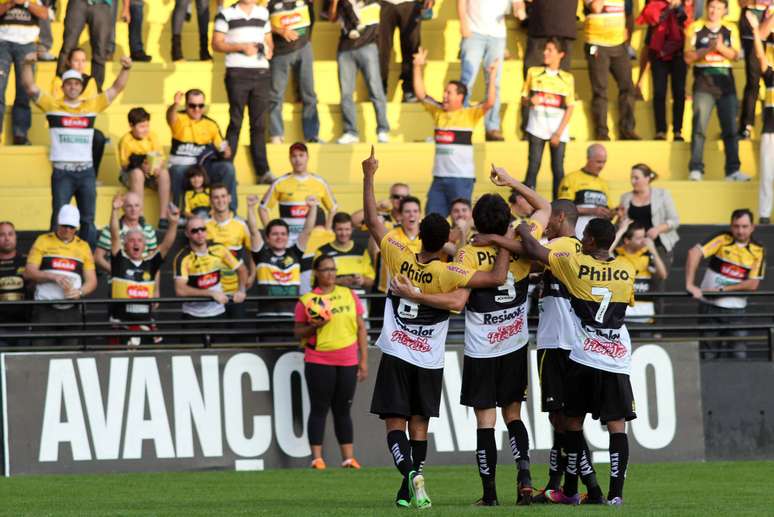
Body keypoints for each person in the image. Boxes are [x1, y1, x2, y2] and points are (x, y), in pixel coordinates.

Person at [362, 146, 511, 509]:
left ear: (420, 237)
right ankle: (412, 482)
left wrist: (369, 175)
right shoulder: (450, 274)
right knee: (418, 426)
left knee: (393, 423)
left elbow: (371, 219)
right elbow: (494, 278)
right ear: (445, 240)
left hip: (397, 351)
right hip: (428, 359)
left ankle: (410, 478)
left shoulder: (398, 253)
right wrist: (504, 238)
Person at [396, 169, 551, 506]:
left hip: (482, 349)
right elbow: (544, 207)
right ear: (507, 218)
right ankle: (524, 476)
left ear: (478, 223)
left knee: (485, 420)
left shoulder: (467, 253)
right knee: (514, 415)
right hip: (515, 342)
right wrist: (511, 182)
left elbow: (460, 300)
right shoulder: (524, 244)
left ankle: (490, 494)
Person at [518, 217, 636, 506]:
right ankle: (615, 494)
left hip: (585, 354)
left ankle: (571, 489)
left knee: (571, 420)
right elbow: (626, 301)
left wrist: (522, 227)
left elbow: (534, 249)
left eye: (585, 236)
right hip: (617, 355)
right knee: (617, 425)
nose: (581, 240)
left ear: (592, 241)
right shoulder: (627, 269)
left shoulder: (574, 265)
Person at [21, 54, 132, 247]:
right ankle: (54, 254)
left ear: (81, 87)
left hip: (86, 172)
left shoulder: (91, 105)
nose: (73, 87)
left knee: (88, 220)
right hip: (62, 172)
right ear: (62, 87)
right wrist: (27, 64)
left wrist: (126, 69)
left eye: (76, 84)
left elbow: (117, 88)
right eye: (69, 84)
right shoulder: (52, 105)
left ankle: (86, 259)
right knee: (58, 217)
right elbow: (30, 87)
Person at [294, 254, 369, 469]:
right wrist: (315, 326)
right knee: (319, 408)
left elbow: (361, 328)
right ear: (317, 273)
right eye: (326, 269)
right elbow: (298, 331)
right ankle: (317, 458)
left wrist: (363, 360)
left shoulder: (348, 294)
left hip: (347, 359)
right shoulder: (307, 300)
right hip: (319, 359)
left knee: (343, 409)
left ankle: (348, 458)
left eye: (333, 270)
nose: (330, 274)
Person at [413, 47, 497, 216]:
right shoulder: (437, 112)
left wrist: (492, 76)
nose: (444, 95)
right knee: (432, 220)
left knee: (461, 222)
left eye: (448, 92)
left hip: (461, 178)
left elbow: (489, 102)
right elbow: (421, 94)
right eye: (444, 92)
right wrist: (417, 67)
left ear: (460, 97)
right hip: (438, 178)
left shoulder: (469, 114)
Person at [685, 209, 765, 359]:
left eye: (744, 226)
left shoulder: (758, 249)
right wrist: (690, 284)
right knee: (707, 356)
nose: (740, 231)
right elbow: (693, 253)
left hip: (737, 311)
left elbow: (753, 284)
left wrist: (723, 289)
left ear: (752, 227)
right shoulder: (723, 238)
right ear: (731, 226)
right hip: (709, 307)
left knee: (738, 355)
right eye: (736, 226)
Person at [685, 0, 749, 181]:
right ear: (706, 8)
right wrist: (707, 49)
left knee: (730, 129)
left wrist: (720, 48)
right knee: (699, 127)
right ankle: (696, 168)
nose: (714, 11)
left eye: (719, 8)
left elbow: (736, 55)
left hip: (725, 82)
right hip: (703, 82)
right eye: (711, 7)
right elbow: (688, 57)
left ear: (725, 10)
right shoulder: (695, 28)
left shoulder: (730, 29)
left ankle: (733, 170)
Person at [212, 0, 274, 185]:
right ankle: (227, 170)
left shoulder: (262, 13)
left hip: (261, 72)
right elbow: (216, 44)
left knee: (259, 124)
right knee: (236, 121)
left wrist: (269, 50)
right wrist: (241, 47)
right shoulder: (226, 13)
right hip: (237, 72)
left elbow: (269, 39)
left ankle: (263, 172)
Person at [108, 194, 179, 346]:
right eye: (131, 240)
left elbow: (166, 244)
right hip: (121, 324)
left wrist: (173, 224)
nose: (136, 243)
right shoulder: (119, 261)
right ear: (125, 245)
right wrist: (114, 211)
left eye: (140, 240)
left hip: (145, 324)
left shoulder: (150, 263)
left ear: (145, 245)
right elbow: (114, 234)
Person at [23, 205, 98, 346]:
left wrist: (80, 292)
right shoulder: (43, 240)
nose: (68, 230)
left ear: (77, 227)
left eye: (71, 227)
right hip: (44, 308)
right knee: (41, 354)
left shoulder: (83, 246)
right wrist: (53, 277)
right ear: (58, 223)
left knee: (70, 355)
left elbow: (92, 281)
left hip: (72, 309)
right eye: (64, 225)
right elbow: (28, 272)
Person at [173, 217, 247, 344]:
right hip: (192, 316)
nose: (200, 233)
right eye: (194, 231)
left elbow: (242, 270)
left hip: (218, 314)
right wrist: (211, 293)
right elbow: (180, 290)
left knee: (221, 357)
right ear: (187, 233)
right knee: (190, 358)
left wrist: (241, 290)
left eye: (203, 229)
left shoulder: (219, 249)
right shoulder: (182, 258)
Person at [329, 0, 390, 144]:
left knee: (376, 90)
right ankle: (351, 132)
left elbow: (373, 21)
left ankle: (383, 129)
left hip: (368, 47)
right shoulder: (342, 3)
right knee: (346, 93)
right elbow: (332, 18)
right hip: (345, 50)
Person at [248, 194, 317, 322]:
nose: (279, 237)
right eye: (275, 234)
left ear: (287, 237)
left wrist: (312, 208)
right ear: (267, 238)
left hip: (292, 317)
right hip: (266, 318)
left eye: (283, 234)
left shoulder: (295, 253)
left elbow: (307, 231)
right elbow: (253, 231)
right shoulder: (262, 255)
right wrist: (251, 207)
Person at [166, 89, 238, 211]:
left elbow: (223, 147)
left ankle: (230, 211)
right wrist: (175, 104)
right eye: (192, 105)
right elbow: (170, 116)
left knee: (228, 168)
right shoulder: (179, 118)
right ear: (186, 105)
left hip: (204, 167)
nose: (197, 109)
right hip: (184, 168)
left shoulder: (211, 124)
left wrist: (226, 152)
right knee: (176, 171)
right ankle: (177, 213)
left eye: (200, 105)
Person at [522, 37, 576, 200]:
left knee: (558, 170)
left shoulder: (567, 78)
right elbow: (523, 98)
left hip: (558, 131)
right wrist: (530, 101)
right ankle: (527, 204)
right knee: (533, 167)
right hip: (536, 128)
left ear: (561, 54)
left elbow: (570, 106)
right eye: (545, 49)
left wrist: (558, 133)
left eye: (550, 50)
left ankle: (558, 206)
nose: (545, 53)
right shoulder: (533, 72)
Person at [457, 0, 516, 141]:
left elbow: (517, 3)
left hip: (498, 36)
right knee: (467, 81)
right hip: (474, 32)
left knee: (494, 82)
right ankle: (461, 125)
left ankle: (492, 127)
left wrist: (519, 9)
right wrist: (463, 23)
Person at [260, 143, 337, 246]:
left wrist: (327, 230)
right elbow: (263, 208)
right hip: (288, 242)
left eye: (301, 155)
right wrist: (270, 232)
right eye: (294, 156)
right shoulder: (280, 183)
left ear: (307, 157)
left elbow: (333, 208)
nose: (298, 159)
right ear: (289, 158)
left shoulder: (319, 182)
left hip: (312, 241)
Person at [519, 0, 577, 138]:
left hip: (565, 29)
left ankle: (560, 131)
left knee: (562, 89)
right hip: (540, 28)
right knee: (532, 87)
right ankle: (529, 130)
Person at [583, 0, 640, 141]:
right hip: (597, 43)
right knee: (600, 89)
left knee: (627, 86)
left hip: (618, 44)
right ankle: (602, 131)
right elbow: (596, 7)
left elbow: (628, 13)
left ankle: (627, 129)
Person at [636, 0, 691, 141]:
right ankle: (660, 130)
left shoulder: (685, 4)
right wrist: (667, 8)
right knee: (659, 92)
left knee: (679, 92)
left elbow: (688, 24)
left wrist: (678, 7)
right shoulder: (654, 3)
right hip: (659, 53)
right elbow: (652, 19)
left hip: (679, 53)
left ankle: (678, 130)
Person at [268, 0, 320, 144]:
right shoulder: (269, 3)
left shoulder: (306, 2)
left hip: (304, 48)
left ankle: (311, 135)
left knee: (309, 94)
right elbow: (261, 23)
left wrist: (307, 42)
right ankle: (276, 134)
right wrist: (280, 30)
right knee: (275, 95)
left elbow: (312, 19)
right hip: (280, 52)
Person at [50, 47, 107, 179]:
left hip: (83, 125)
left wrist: (75, 102)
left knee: (99, 138)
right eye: (76, 60)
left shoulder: (90, 80)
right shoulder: (59, 79)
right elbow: (57, 103)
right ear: (69, 62)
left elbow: (91, 104)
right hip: (64, 125)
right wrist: (80, 102)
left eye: (83, 60)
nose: (80, 64)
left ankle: (92, 176)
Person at [617, 163, 680, 280]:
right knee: (630, 281)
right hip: (634, 247)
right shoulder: (625, 197)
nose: (632, 181)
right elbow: (622, 225)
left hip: (659, 245)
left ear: (647, 178)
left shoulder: (663, 194)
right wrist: (620, 217)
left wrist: (658, 229)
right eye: (631, 178)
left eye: (636, 178)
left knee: (658, 282)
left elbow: (675, 220)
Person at [206, 184, 256, 325]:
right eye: (215, 197)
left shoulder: (240, 225)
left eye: (223, 196)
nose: (220, 200)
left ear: (229, 198)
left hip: (236, 292)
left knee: (238, 335)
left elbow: (253, 251)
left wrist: (252, 274)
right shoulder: (204, 226)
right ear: (210, 201)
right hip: (213, 293)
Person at [0, 0, 48, 145]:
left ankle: (20, 134)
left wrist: (25, 3)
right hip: (2, 43)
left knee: (25, 90)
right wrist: (10, 3)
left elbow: (44, 14)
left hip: (27, 45)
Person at [117, 107, 172, 228]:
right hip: (131, 174)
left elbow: (161, 157)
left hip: (150, 173)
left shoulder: (152, 136)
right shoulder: (126, 141)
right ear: (131, 125)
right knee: (137, 173)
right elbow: (125, 165)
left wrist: (157, 167)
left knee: (164, 173)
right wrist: (140, 164)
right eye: (141, 126)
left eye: (147, 126)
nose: (145, 130)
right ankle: (140, 215)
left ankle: (163, 217)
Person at [316, 212, 375, 316]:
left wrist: (362, 280)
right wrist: (338, 281)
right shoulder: (322, 252)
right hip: (331, 301)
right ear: (333, 229)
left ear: (352, 229)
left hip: (359, 300)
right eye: (340, 229)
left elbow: (371, 281)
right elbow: (315, 282)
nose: (343, 233)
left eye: (347, 229)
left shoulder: (361, 251)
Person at [612, 222, 668, 322]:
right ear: (627, 240)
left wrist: (653, 251)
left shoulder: (648, 253)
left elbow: (663, 275)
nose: (644, 241)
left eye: (644, 237)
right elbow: (607, 251)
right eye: (639, 238)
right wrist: (621, 230)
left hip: (645, 315)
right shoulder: (617, 254)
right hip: (622, 314)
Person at [379, 0, 432, 103]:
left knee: (412, 47)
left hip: (411, 4)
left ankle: (409, 89)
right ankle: (380, 90)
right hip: (383, 3)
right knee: (381, 50)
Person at [748, 11, 774, 224]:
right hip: (771, 130)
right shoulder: (771, 74)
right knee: (767, 176)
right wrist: (757, 30)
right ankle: (764, 215)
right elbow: (760, 55)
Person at [94, 191, 158, 274]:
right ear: (123, 208)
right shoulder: (109, 229)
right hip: (119, 282)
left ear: (141, 207)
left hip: (143, 282)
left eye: (136, 205)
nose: (133, 209)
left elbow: (154, 261)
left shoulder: (148, 230)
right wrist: (115, 271)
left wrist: (156, 286)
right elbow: (97, 257)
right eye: (129, 206)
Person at [55, 0, 113, 90]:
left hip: (102, 3)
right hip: (77, 2)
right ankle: (60, 86)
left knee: (100, 51)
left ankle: (95, 90)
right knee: (68, 47)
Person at [558, 143, 612, 239]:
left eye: (604, 162)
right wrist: (592, 211)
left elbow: (609, 210)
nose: (602, 166)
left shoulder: (604, 183)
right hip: (577, 234)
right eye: (598, 162)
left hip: (598, 237)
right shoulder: (571, 178)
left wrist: (615, 212)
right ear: (588, 159)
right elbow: (564, 208)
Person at [738, 0, 774, 139]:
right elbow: (741, 3)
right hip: (753, 37)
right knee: (753, 82)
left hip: (769, 42)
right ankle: (747, 125)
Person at [0, 221, 29, 345]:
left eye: (10, 234)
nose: (7, 238)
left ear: (16, 237)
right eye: (2, 235)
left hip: (24, 326)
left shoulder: (28, 262)